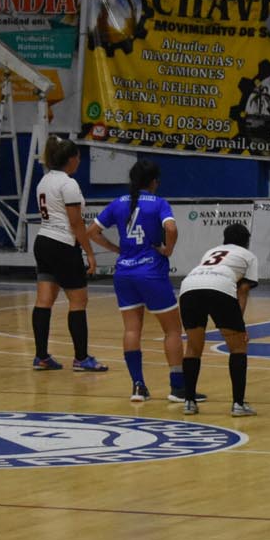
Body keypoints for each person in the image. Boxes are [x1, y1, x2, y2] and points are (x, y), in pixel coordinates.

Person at [86, 159, 198, 405]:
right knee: (171, 330)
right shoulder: (159, 203)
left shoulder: (118, 203)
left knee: (132, 329)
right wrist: (168, 250)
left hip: (124, 273)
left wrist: (116, 249)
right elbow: (171, 229)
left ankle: (138, 386)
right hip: (151, 272)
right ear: (154, 181)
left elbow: (91, 231)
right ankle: (177, 386)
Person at [31, 137, 108, 373]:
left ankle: (42, 356)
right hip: (63, 244)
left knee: (44, 301)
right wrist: (90, 253)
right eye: (78, 158)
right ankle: (82, 358)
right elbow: (76, 223)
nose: (79, 162)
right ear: (72, 159)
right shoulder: (68, 184)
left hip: (43, 241)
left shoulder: (44, 181)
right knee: (78, 301)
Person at [178, 222, 258, 417]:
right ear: (246, 242)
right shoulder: (249, 256)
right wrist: (240, 327)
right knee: (238, 346)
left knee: (193, 347)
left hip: (188, 288)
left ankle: (189, 402)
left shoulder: (211, 252)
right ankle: (238, 404)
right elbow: (243, 290)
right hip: (220, 288)